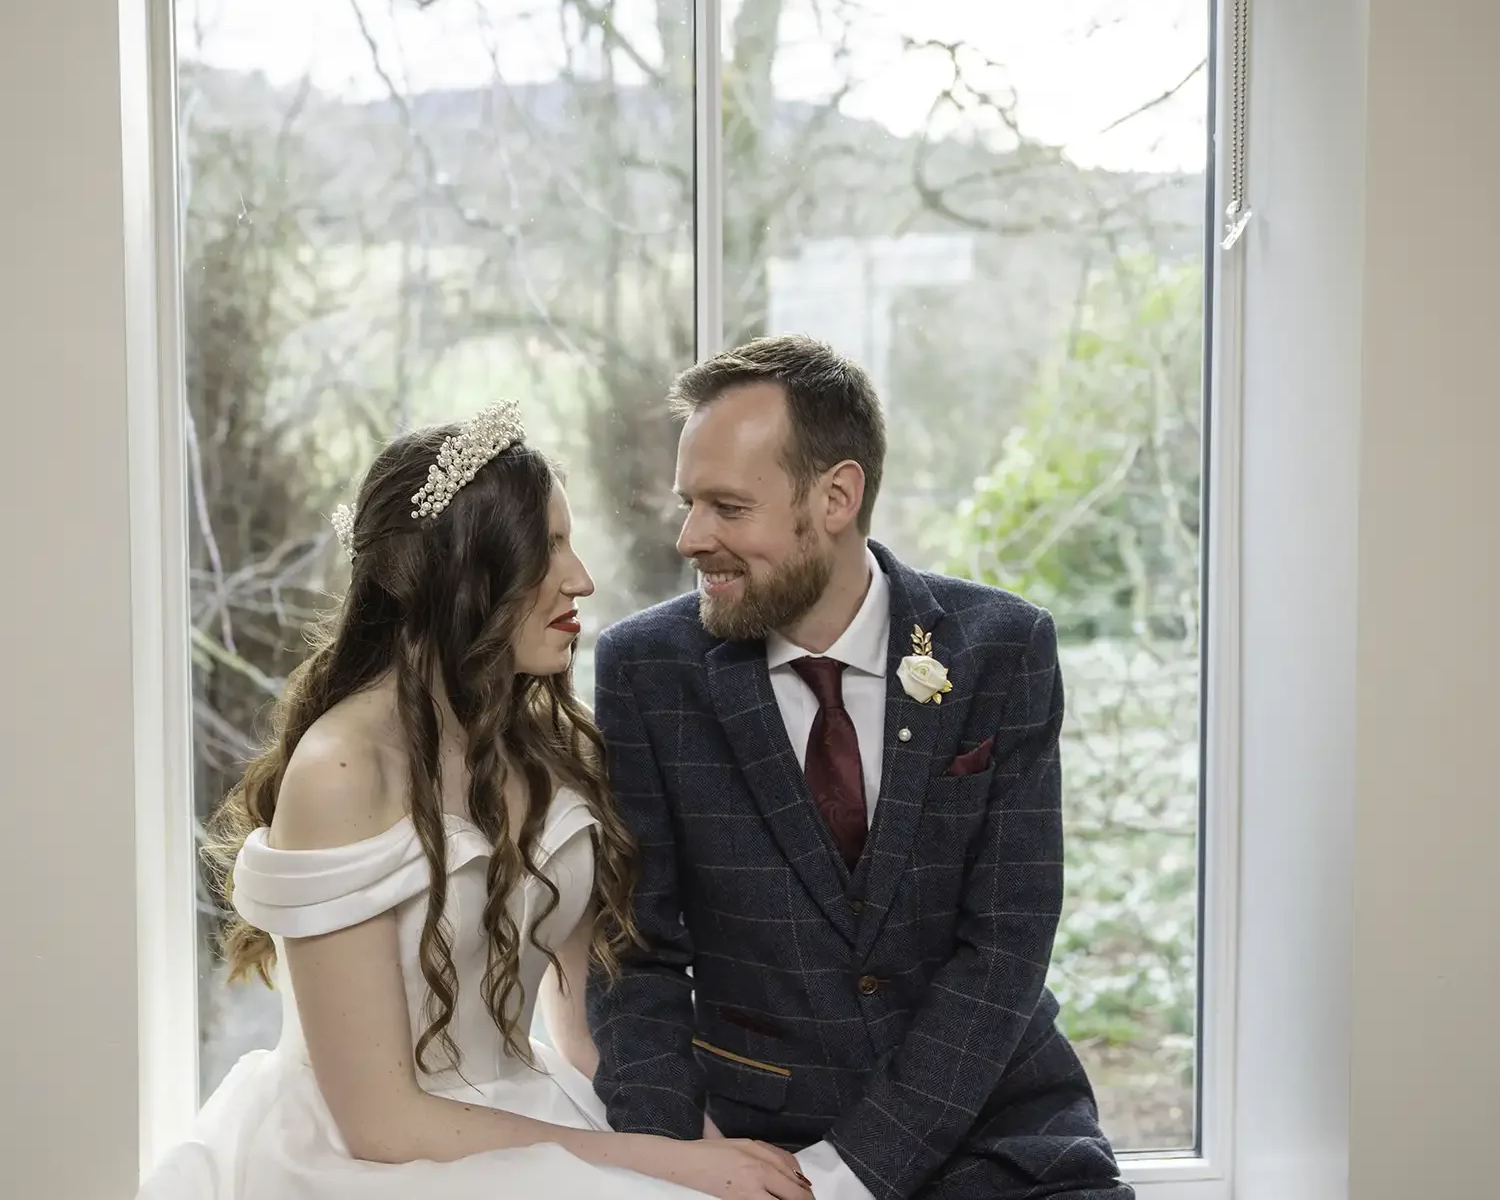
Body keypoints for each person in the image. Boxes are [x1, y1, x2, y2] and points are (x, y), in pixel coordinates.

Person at [137, 401, 812, 1200]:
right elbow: (382, 1122)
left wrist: (711, 1152)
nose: (582, 578)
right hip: (368, 1158)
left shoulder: (554, 752)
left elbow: (588, 1029)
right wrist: (664, 1165)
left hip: (531, 1110)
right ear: (462, 573)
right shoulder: (342, 770)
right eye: (549, 546)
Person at [587, 337, 1131, 1200]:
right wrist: (679, 1160)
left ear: (837, 494)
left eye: (728, 506)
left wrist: (845, 1177)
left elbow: (1005, 946)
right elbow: (635, 952)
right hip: (755, 1140)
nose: (693, 537)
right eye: (690, 503)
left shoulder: (1002, 649)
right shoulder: (647, 669)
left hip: (996, 1128)